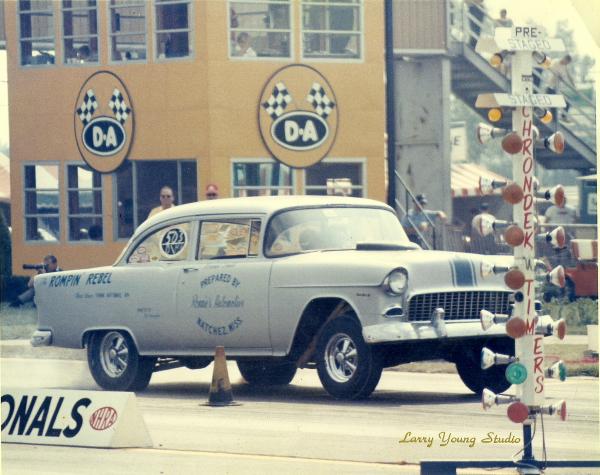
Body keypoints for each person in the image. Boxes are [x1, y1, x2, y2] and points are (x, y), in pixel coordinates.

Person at [546, 55, 575, 123]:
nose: (566, 64)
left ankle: (563, 116)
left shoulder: (565, 66)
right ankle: (554, 120)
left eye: (567, 63)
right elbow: (549, 68)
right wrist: (557, 74)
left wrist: (574, 86)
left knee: (567, 102)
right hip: (551, 87)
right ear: (564, 58)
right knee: (554, 106)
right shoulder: (555, 62)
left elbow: (569, 76)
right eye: (566, 62)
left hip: (558, 89)